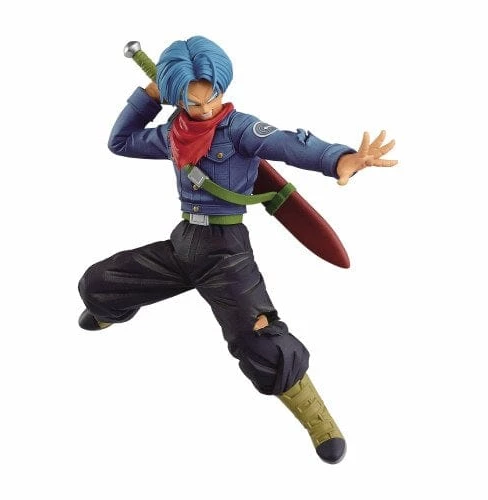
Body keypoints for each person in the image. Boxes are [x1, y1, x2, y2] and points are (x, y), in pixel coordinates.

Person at [78, 35, 397, 464]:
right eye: (193, 102)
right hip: (184, 241)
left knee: (259, 338)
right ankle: (110, 310)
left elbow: (289, 144)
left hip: (226, 251)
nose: (205, 109)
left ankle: (320, 424)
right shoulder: (174, 134)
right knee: (100, 281)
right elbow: (120, 142)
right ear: (177, 98)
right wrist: (149, 96)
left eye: (212, 97)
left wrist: (340, 160)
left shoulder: (241, 129)